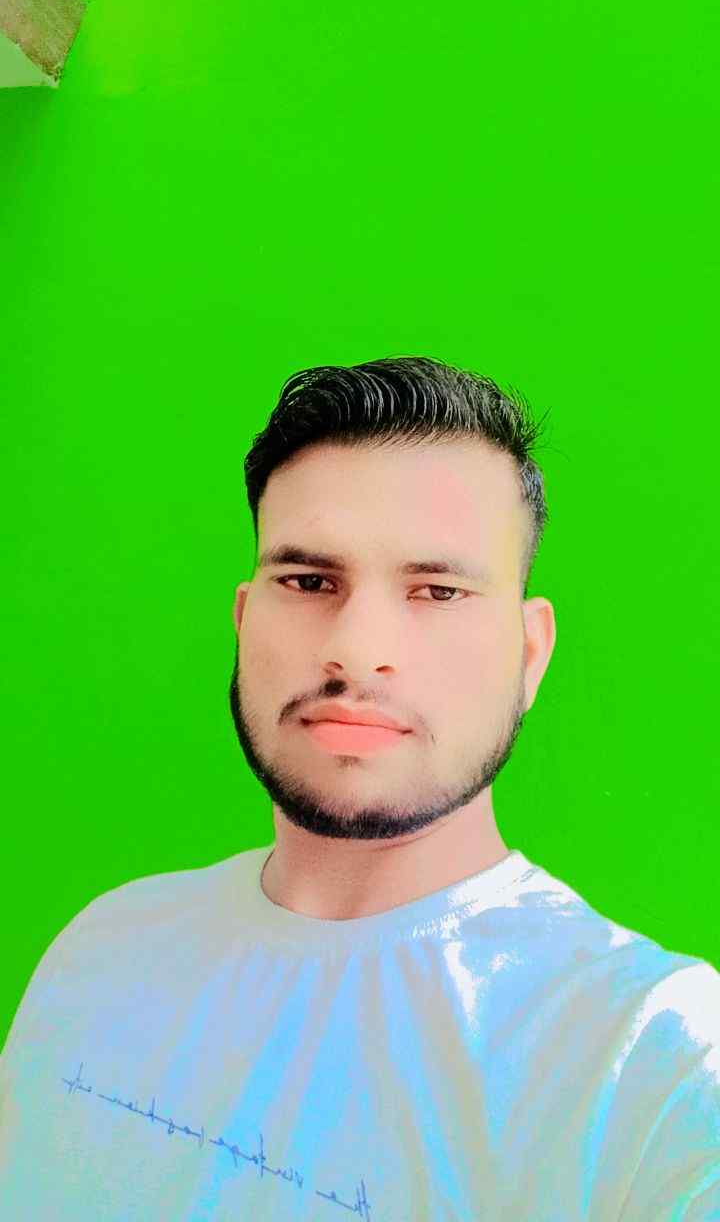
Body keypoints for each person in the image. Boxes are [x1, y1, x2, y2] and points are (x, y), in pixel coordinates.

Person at [1, 356, 718, 1219]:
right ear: (244, 620)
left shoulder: (658, 1056)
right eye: (308, 582)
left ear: (530, 654)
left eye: (437, 590)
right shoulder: (100, 953)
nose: (357, 648)